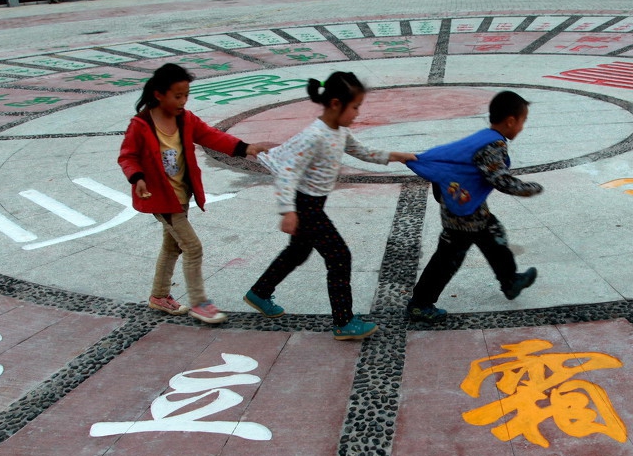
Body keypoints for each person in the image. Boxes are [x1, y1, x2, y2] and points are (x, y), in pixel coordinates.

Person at [244, 72, 417, 341]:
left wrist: (397, 156)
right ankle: (343, 321)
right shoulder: (314, 136)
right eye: (355, 107)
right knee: (339, 256)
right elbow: (287, 173)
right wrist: (288, 211)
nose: (358, 113)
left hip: (312, 202)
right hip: (305, 205)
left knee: (298, 252)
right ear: (336, 104)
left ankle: (260, 292)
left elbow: (364, 152)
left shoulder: (339, 132)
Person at [118, 63, 269, 323]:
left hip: (182, 195)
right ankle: (200, 303)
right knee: (192, 247)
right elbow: (127, 156)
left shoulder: (185, 119)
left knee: (172, 246)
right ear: (158, 94)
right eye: (177, 96)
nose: (183, 101)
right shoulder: (141, 124)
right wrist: (137, 177)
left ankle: (159, 296)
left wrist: (245, 148)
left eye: (186, 95)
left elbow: (211, 136)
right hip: (160, 198)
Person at [403, 90, 543, 324]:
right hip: (464, 216)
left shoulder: (484, 136)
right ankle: (419, 304)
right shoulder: (492, 145)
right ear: (511, 121)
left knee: (495, 237)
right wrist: (530, 188)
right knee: (448, 259)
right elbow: (500, 180)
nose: (522, 127)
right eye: (523, 121)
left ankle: (510, 282)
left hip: (470, 209)